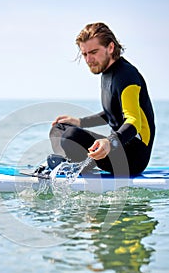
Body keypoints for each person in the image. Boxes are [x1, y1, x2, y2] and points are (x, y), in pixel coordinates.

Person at [49, 22, 155, 176]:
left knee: (71, 136)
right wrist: (80, 122)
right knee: (60, 127)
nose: (88, 59)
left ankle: (71, 166)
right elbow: (111, 113)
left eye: (93, 52)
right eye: (84, 54)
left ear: (110, 48)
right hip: (117, 147)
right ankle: (67, 163)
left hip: (134, 156)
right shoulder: (107, 72)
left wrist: (109, 142)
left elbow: (133, 121)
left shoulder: (127, 75)